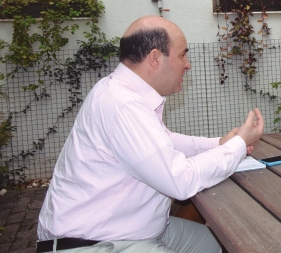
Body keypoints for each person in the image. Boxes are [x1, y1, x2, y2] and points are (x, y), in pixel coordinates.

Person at [37, 16, 264, 253]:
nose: (188, 65)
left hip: (136, 230)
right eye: (182, 55)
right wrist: (238, 145)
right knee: (233, 241)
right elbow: (181, 181)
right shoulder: (123, 104)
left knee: (224, 245)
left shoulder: (124, 92)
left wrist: (220, 143)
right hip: (93, 243)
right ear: (155, 58)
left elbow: (165, 142)